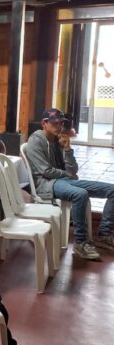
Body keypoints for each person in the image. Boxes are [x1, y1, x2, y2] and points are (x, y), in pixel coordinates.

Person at [24, 108, 114, 261]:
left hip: (63, 181)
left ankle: (104, 234)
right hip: (46, 184)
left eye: (61, 123)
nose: (59, 126)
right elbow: (46, 171)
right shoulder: (36, 140)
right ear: (44, 123)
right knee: (80, 194)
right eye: (55, 123)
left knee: (112, 190)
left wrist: (67, 149)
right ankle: (81, 242)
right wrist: (68, 174)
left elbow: (73, 169)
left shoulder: (58, 140)